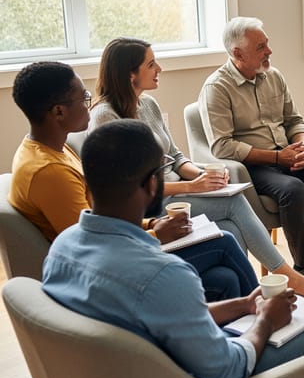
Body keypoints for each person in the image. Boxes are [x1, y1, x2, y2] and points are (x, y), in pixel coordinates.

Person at [42, 120, 304, 378]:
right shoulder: (164, 274)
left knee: (226, 280)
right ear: (153, 184)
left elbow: (161, 315)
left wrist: (245, 305)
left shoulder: (61, 249)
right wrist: (264, 319)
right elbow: (229, 369)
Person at [87, 37, 304, 302]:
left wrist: (202, 176)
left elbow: (175, 156)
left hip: (180, 191)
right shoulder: (105, 116)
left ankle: (244, 294)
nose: (159, 68)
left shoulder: (148, 104)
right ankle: (289, 278)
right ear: (130, 75)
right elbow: (126, 187)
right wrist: (192, 187)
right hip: (152, 203)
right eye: (151, 64)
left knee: (230, 225)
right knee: (234, 204)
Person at [9, 61, 256, 301]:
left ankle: (247, 321)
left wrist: (152, 224)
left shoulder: (52, 149)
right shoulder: (49, 172)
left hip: (118, 251)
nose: (89, 105)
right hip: (109, 273)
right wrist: (155, 235)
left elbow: (97, 220)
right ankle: (268, 313)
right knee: (224, 242)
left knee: (224, 278)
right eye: (83, 98)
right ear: (58, 111)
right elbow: (92, 244)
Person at [199, 17, 304, 288]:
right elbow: (222, 146)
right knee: (292, 189)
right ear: (237, 53)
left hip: (288, 154)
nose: (269, 51)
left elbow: (294, 120)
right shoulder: (217, 88)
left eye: (267, 44)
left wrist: (302, 145)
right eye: (260, 47)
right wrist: (277, 158)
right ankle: (303, 268)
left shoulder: (274, 76)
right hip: (253, 166)